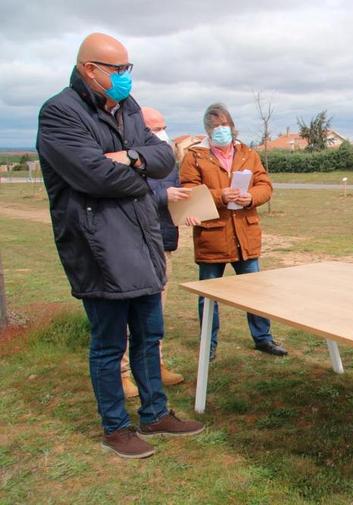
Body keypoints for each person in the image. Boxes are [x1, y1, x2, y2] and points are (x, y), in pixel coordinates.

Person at [36, 33, 204, 459]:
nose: (125, 77)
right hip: (98, 247)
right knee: (110, 344)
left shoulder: (128, 108)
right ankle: (116, 426)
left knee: (149, 336)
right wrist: (139, 167)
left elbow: (164, 157)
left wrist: (126, 158)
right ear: (89, 69)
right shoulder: (59, 113)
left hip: (142, 239)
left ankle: (155, 413)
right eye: (117, 69)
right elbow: (93, 175)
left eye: (128, 68)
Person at [180, 103, 286, 361]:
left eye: (225, 125)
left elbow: (265, 185)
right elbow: (188, 192)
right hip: (212, 237)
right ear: (207, 129)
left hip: (245, 236)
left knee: (255, 292)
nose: (221, 130)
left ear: (232, 126)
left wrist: (250, 197)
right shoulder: (194, 156)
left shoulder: (248, 153)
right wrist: (219, 195)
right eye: (216, 126)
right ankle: (209, 343)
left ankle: (263, 338)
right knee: (209, 297)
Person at [118, 107, 190, 398]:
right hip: (132, 244)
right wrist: (163, 196)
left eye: (164, 126)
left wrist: (187, 207)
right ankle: (122, 374)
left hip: (162, 243)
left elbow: (175, 192)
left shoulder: (167, 160)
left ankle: (154, 365)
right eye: (155, 127)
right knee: (126, 313)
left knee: (155, 312)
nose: (162, 133)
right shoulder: (124, 159)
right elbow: (124, 194)